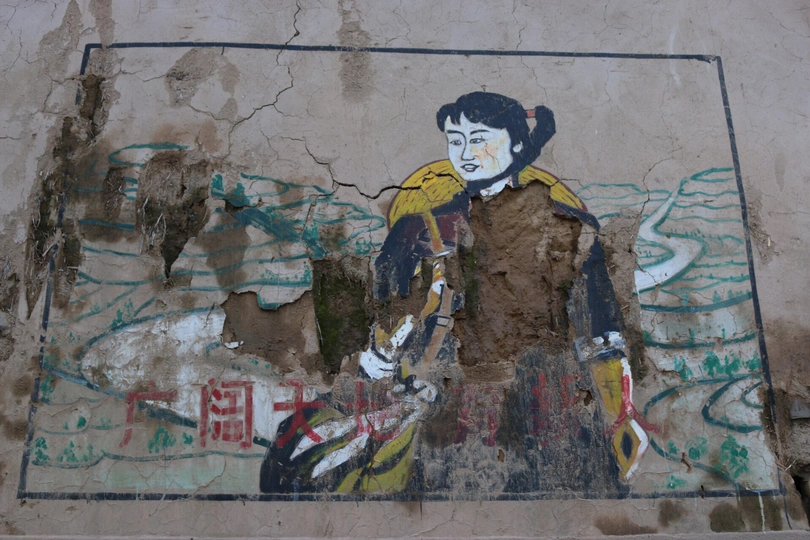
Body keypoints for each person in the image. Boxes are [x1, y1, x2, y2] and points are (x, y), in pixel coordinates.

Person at [260, 92, 654, 494]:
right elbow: (383, 322)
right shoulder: (416, 232)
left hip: (543, 405)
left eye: (479, 139)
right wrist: (381, 367)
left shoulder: (570, 228)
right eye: (456, 140)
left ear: (518, 144)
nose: (465, 153)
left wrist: (621, 412)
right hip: (438, 407)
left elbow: (602, 336)